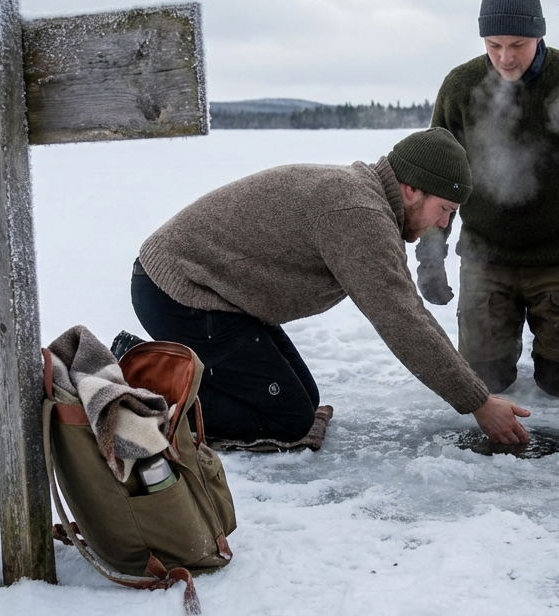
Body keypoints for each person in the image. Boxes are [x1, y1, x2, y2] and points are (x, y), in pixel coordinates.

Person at [131, 127, 531, 448]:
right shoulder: (359, 215)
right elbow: (402, 319)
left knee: (303, 397)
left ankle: (173, 376)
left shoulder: (364, 198)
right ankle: (139, 392)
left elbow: (402, 310)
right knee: (288, 419)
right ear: (412, 189)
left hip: (221, 298)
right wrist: (478, 402)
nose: (443, 224)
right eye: (444, 209)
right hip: (179, 293)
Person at [417, 0, 559, 398]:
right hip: (486, 258)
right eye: (494, 45)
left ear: (539, 35)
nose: (505, 57)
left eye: (517, 45)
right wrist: (431, 254)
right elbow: (438, 180)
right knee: (484, 381)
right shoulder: (460, 87)